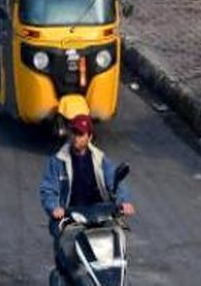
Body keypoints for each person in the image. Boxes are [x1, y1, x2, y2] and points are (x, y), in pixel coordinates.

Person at [39, 115, 135, 276]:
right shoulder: (57, 161)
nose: (76, 137)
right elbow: (48, 189)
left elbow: (115, 182)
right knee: (67, 255)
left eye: (81, 134)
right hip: (71, 216)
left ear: (89, 136)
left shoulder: (99, 159)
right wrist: (54, 207)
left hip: (99, 214)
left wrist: (124, 202)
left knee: (117, 243)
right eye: (74, 133)